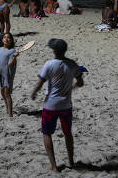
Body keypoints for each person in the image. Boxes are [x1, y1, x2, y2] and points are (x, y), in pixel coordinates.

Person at [30, 39, 84, 173]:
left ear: (54, 51)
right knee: (67, 134)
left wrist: (34, 93)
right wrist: (73, 86)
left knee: (47, 133)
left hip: (50, 105)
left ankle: (54, 166)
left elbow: (40, 82)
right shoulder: (72, 64)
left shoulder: (49, 64)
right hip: (66, 105)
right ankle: (71, 162)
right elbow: (81, 82)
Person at [0, 32, 19, 117]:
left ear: (12, 40)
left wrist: (14, 57)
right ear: (2, 40)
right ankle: (7, 108)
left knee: (7, 92)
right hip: (1, 73)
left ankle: (10, 113)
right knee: (2, 92)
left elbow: (9, 64)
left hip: (8, 73)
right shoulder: (1, 49)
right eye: (5, 37)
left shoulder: (12, 51)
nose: (6, 39)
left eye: (9, 38)